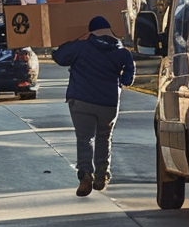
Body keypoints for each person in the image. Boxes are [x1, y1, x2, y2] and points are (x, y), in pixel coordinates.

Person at [52, 15, 135, 196]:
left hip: (81, 101)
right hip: (108, 103)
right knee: (104, 138)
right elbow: (129, 74)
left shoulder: (81, 47)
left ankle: (85, 175)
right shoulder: (121, 51)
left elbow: (59, 56)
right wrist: (123, 80)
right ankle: (102, 174)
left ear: (90, 31)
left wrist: (73, 40)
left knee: (84, 139)